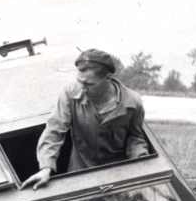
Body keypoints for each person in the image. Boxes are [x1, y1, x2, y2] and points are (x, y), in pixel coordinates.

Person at [22, 48, 150, 189]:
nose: (82, 88)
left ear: (107, 78)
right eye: (80, 82)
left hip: (117, 177)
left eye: (89, 84)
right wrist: (46, 167)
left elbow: (135, 137)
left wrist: (141, 164)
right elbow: (54, 130)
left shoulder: (133, 102)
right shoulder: (70, 93)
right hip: (80, 176)